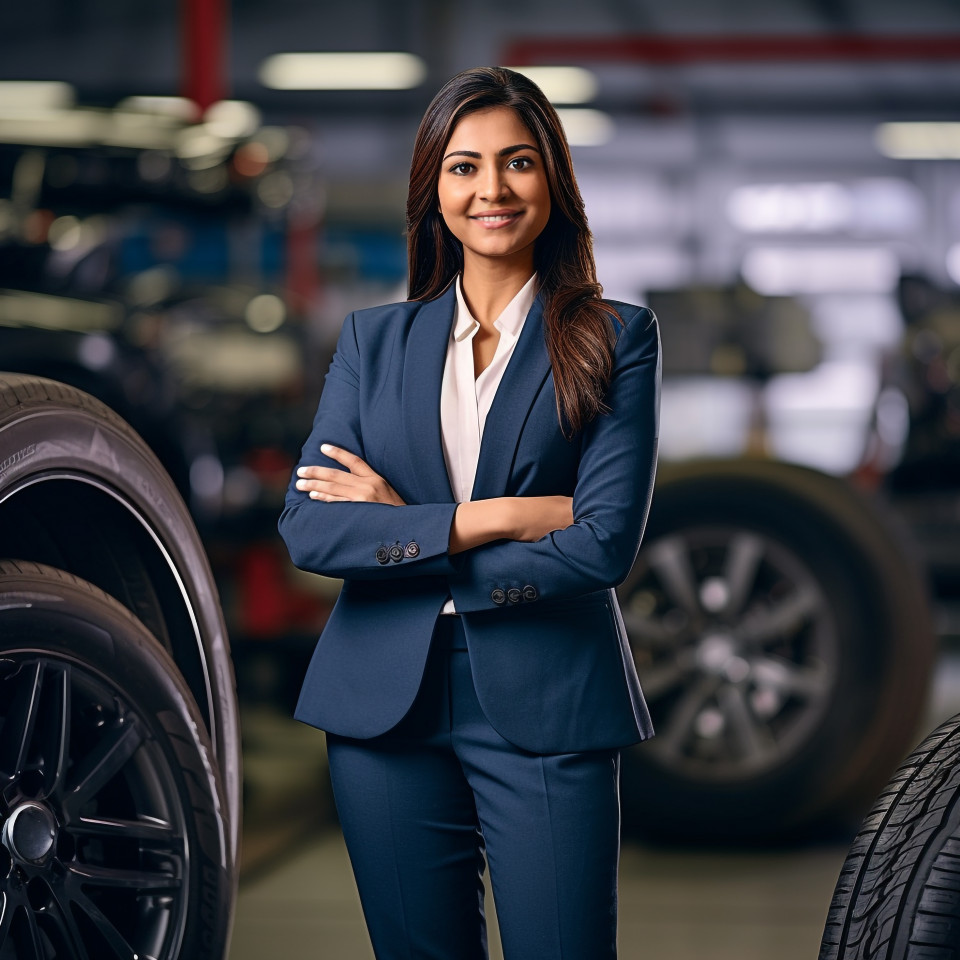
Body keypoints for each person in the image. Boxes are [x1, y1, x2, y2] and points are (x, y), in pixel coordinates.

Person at [279, 65, 660, 960]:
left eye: (518, 162)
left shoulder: (613, 338)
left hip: (548, 695)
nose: (491, 189)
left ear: (553, 181)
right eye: (464, 166)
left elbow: (600, 545)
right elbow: (313, 528)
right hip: (381, 710)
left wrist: (401, 524)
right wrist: (497, 517)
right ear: (434, 188)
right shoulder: (375, 341)